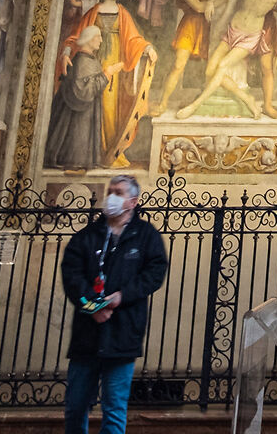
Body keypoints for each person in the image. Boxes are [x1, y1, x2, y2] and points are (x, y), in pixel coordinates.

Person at [59, 174, 169, 434]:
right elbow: (72, 276)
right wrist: (93, 307)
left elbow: (153, 274)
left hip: (123, 336)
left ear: (132, 201)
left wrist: (121, 297)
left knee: (114, 409)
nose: (111, 197)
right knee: (75, 407)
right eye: (110, 191)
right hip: (87, 336)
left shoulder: (146, 236)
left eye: (118, 192)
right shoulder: (87, 236)